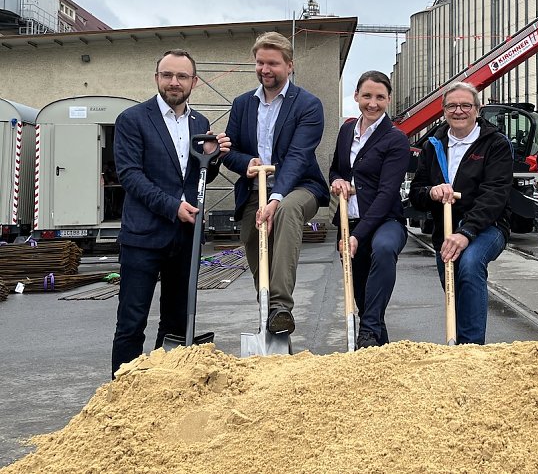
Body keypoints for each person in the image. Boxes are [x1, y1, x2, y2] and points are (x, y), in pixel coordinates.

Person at [111, 49, 230, 376]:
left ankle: (164, 388)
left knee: (176, 321)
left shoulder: (200, 122)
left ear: (194, 81)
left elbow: (198, 178)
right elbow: (130, 176)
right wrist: (172, 207)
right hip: (143, 236)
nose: (174, 82)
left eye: (181, 76)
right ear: (157, 78)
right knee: (132, 322)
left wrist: (213, 158)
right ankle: (123, 395)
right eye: (167, 75)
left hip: (185, 237)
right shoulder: (133, 120)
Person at [222, 31, 328, 337]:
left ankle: (281, 306)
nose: (265, 69)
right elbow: (230, 154)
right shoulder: (242, 104)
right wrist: (246, 163)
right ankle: (271, 316)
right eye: (260, 63)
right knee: (258, 255)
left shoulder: (308, 105)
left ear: (289, 66)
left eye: (273, 63)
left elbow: (297, 156)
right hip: (253, 192)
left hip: (299, 188)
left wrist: (276, 197)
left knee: (286, 212)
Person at [408, 81, 512, 344]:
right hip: (445, 229)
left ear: (478, 110)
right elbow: (416, 192)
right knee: (452, 281)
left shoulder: (495, 144)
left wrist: (466, 232)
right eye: (452, 106)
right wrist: (432, 191)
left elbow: (495, 195)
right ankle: (457, 344)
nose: (459, 111)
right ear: (443, 111)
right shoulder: (433, 145)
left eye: (466, 105)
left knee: (469, 264)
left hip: (488, 226)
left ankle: (472, 348)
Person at [330, 71, 410, 348]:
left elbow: (387, 193)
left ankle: (370, 332)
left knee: (385, 249)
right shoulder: (346, 132)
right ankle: (378, 351)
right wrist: (337, 181)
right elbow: (337, 170)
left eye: (379, 97)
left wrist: (357, 235)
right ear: (356, 96)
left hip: (385, 221)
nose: (372, 103)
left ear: (389, 99)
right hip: (349, 221)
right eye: (367, 96)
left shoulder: (396, 139)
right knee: (365, 300)